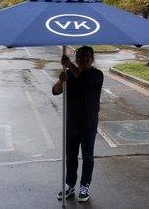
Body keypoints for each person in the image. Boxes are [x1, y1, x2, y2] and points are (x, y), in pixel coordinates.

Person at [52, 46, 104, 203]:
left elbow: (83, 79)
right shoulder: (69, 74)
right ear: (77, 59)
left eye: (87, 56)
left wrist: (69, 65)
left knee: (87, 157)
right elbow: (55, 91)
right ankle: (70, 185)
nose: (84, 59)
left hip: (89, 124)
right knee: (71, 157)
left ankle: (84, 186)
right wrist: (61, 81)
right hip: (71, 124)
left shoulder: (96, 75)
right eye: (80, 56)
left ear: (92, 59)